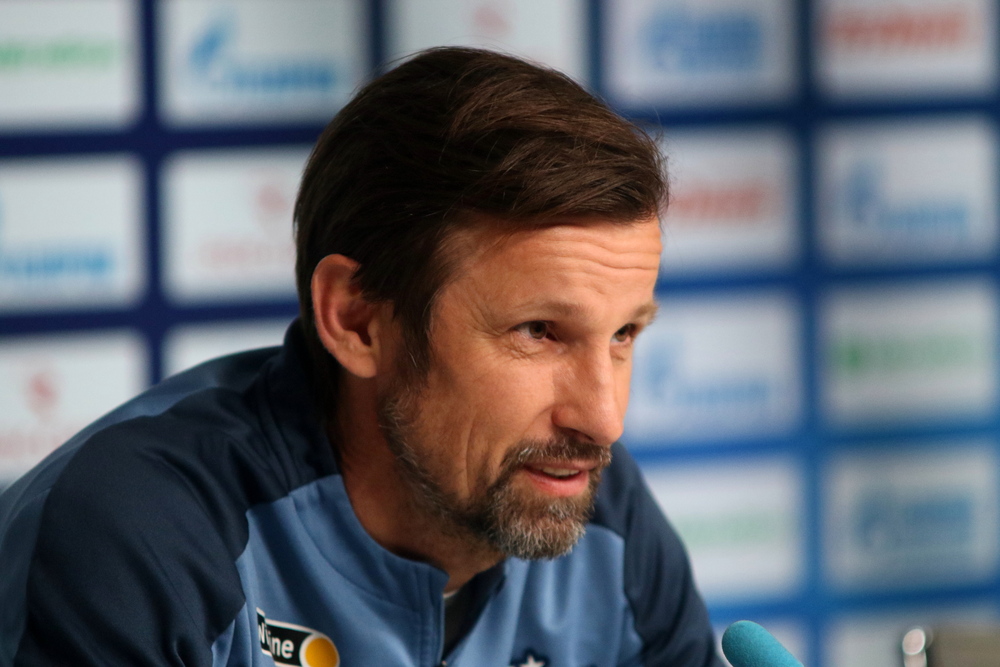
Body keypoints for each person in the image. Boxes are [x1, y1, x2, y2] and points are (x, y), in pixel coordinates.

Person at [0, 47, 722, 667]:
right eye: (539, 331)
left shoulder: (597, 513)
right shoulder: (140, 534)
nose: (603, 420)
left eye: (624, 335)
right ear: (357, 320)